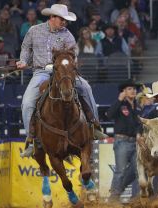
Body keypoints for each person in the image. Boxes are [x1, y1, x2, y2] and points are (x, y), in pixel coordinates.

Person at [18, 4, 105, 158]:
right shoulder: (34, 31)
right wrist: (23, 61)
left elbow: (74, 54)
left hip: (64, 72)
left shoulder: (67, 35)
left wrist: (71, 63)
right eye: (62, 19)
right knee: (27, 101)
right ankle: (31, 139)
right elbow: (26, 48)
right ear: (52, 17)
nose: (64, 22)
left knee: (86, 87)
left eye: (66, 20)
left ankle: (94, 124)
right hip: (41, 72)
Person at [106, 80, 141, 202]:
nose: (133, 91)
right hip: (122, 141)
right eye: (130, 89)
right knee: (120, 170)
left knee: (137, 168)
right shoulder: (120, 105)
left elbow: (139, 124)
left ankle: (118, 191)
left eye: (134, 89)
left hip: (135, 142)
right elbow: (109, 115)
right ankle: (114, 198)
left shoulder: (137, 106)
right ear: (124, 92)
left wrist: (139, 134)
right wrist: (119, 100)